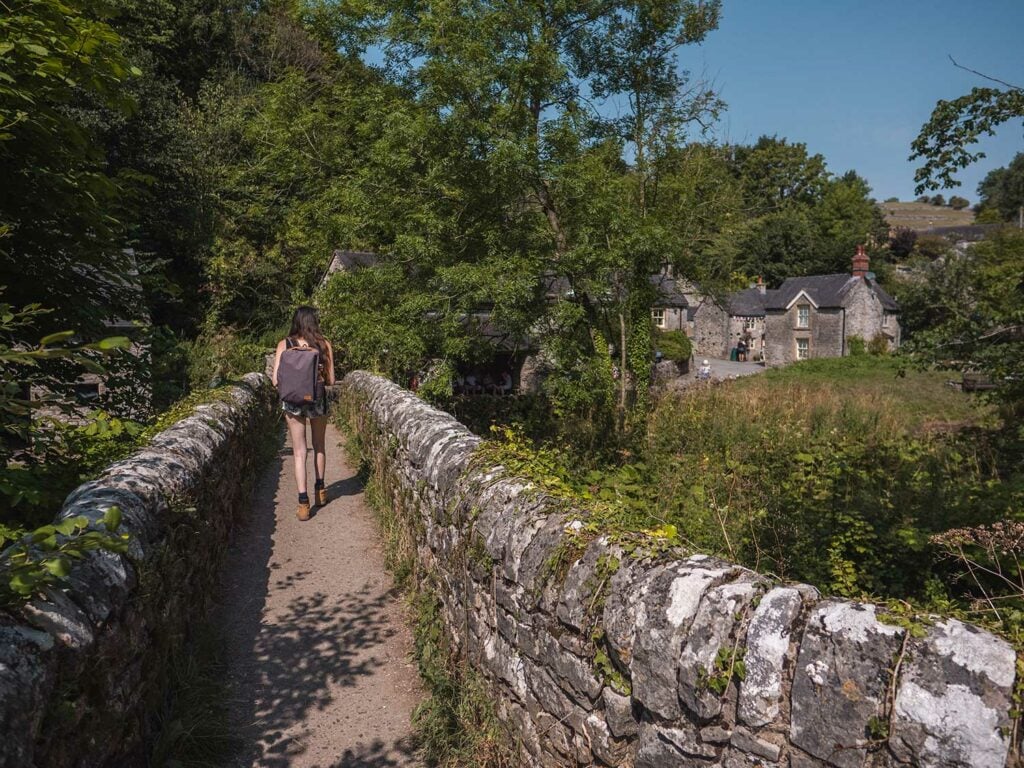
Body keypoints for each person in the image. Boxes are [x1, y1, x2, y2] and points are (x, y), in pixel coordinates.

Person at [272, 306, 335, 521]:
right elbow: (332, 380)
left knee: (299, 451)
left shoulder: (285, 344)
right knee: (319, 446)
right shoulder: (324, 344)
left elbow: (275, 380)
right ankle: (320, 491)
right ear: (314, 321)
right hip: (317, 399)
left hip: (292, 402)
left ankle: (303, 503)